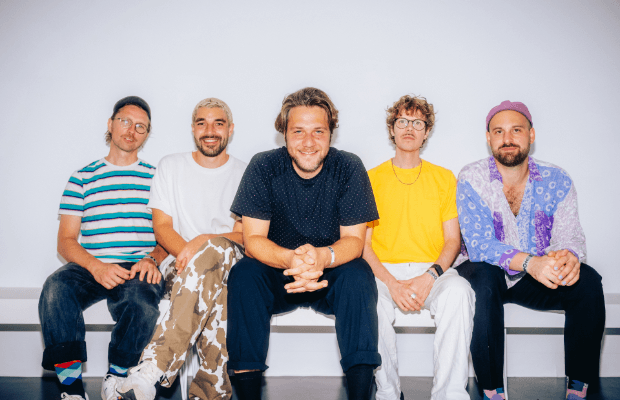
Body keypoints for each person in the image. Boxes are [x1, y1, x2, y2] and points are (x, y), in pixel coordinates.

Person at [226, 87, 381, 400]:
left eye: (318, 131)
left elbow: (354, 241)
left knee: (359, 275)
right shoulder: (263, 166)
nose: (308, 142)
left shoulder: (349, 166)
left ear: (331, 133)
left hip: (331, 270)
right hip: (277, 270)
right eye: (298, 131)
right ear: (284, 132)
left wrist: (322, 257)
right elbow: (252, 240)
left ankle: (361, 394)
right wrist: (291, 260)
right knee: (244, 275)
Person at [455, 100, 605, 400]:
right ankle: (492, 390)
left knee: (588, 281)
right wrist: (530, 262)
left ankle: (579, 386)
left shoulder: (557, 179)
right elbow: (479, 244)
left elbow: (569, 234)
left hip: (534, 278)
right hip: (486, 272)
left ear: (531, 135)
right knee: (484, 280)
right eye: (499, 131)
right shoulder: (471, 177)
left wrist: (568, 256)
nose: (507, 138)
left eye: (516, 130)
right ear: (489, 138)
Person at [39, 96, 168, 400]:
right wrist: (96, 267)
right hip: (91, 265)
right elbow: (66, 240)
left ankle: (118, 378)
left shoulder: (157, 179)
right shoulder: (82, 177)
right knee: (55, 289)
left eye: (141, 126)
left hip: (138, 266)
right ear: (110, 124)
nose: (131, 130)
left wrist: (153, 259)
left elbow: (167, 234)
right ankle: (72, 389)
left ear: (147, 134)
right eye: (125, 121)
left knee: (141, 303)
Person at [118, 98, 247, 400]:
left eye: (218, 123)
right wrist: (191, 256)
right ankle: (211, 393)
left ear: (230, 129)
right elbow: (162, 227)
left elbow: (244, 235)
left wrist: (203, 242)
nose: (209, 131)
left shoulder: (246, 172)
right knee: (219, 294)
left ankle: (153, 367)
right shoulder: (171, 166)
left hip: (229, 263)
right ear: (193, 129)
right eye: (202, 123)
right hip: (180, 265)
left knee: (217, 251)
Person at [363, 95, 475, 400]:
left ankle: (449, 394)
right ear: (392, 129)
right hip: (384, 273)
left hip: (432, 270)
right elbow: (364, 245)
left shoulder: (444, 178)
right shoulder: (371, 179)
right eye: (402, 121)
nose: (409, 128)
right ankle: (388, 393)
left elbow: (452, 240)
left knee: (459, 292)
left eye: (417, 122)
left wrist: (430, 276)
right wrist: (392, 284)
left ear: (426, 132)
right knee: (367, 298)